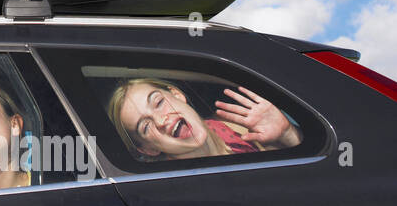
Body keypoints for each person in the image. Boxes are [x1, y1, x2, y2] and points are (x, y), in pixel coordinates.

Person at [107, 78, 302, 160]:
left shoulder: (237, 128)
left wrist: (287, 134)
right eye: (145, 126)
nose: (161, 120)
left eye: (158, 103)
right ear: (148, 148)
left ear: (177, 95)